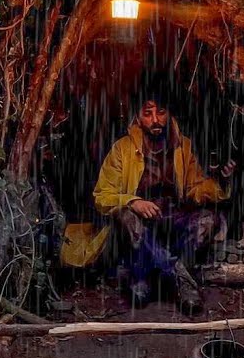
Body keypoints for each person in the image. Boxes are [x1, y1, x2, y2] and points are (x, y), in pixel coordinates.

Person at [84, 94, 234, 313]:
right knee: (127, 217)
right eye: (148, 113)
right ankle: (178, 278)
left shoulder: (182, 146)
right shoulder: (122, 149)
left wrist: (220, 181)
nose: (155, 120)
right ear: (137, 117)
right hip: (143, 224)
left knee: (207, 220)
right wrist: (134, 202)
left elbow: (195, 188)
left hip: (174, 216)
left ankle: (156, 276)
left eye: (160, 112)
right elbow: (102, 195)